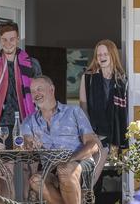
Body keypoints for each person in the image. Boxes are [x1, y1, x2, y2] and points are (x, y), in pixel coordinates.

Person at [22, 76, 99, 204]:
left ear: (51, 89)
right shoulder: (29, 121)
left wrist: (70, 159)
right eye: (33, 91)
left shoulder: (74, 111)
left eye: (39, 89)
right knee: (35, 181)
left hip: (78, 161)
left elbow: (93, 144)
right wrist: (29, 143)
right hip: (50, 168)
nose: (36, 94)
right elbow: (26, 140)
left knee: (64, 170)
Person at [79, 39, 128, 184]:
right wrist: (90, 133)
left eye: (105, 53)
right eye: (99, 54)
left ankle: (83, 196)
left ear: (112, 55)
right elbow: (83, 107)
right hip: (93, 132)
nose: (102, 57)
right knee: (86, 173)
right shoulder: (88, 77)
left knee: (92, 175)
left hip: (113, 134)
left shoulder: (122, 79)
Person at [0, 21, 41, 148]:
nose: (8, 44)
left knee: (29, 163)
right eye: (4, 40)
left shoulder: (32, 64)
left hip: (27, 121)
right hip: (1, 124)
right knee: (6, 164)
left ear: (18, 39)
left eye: (12, 39)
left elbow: (40, 95)